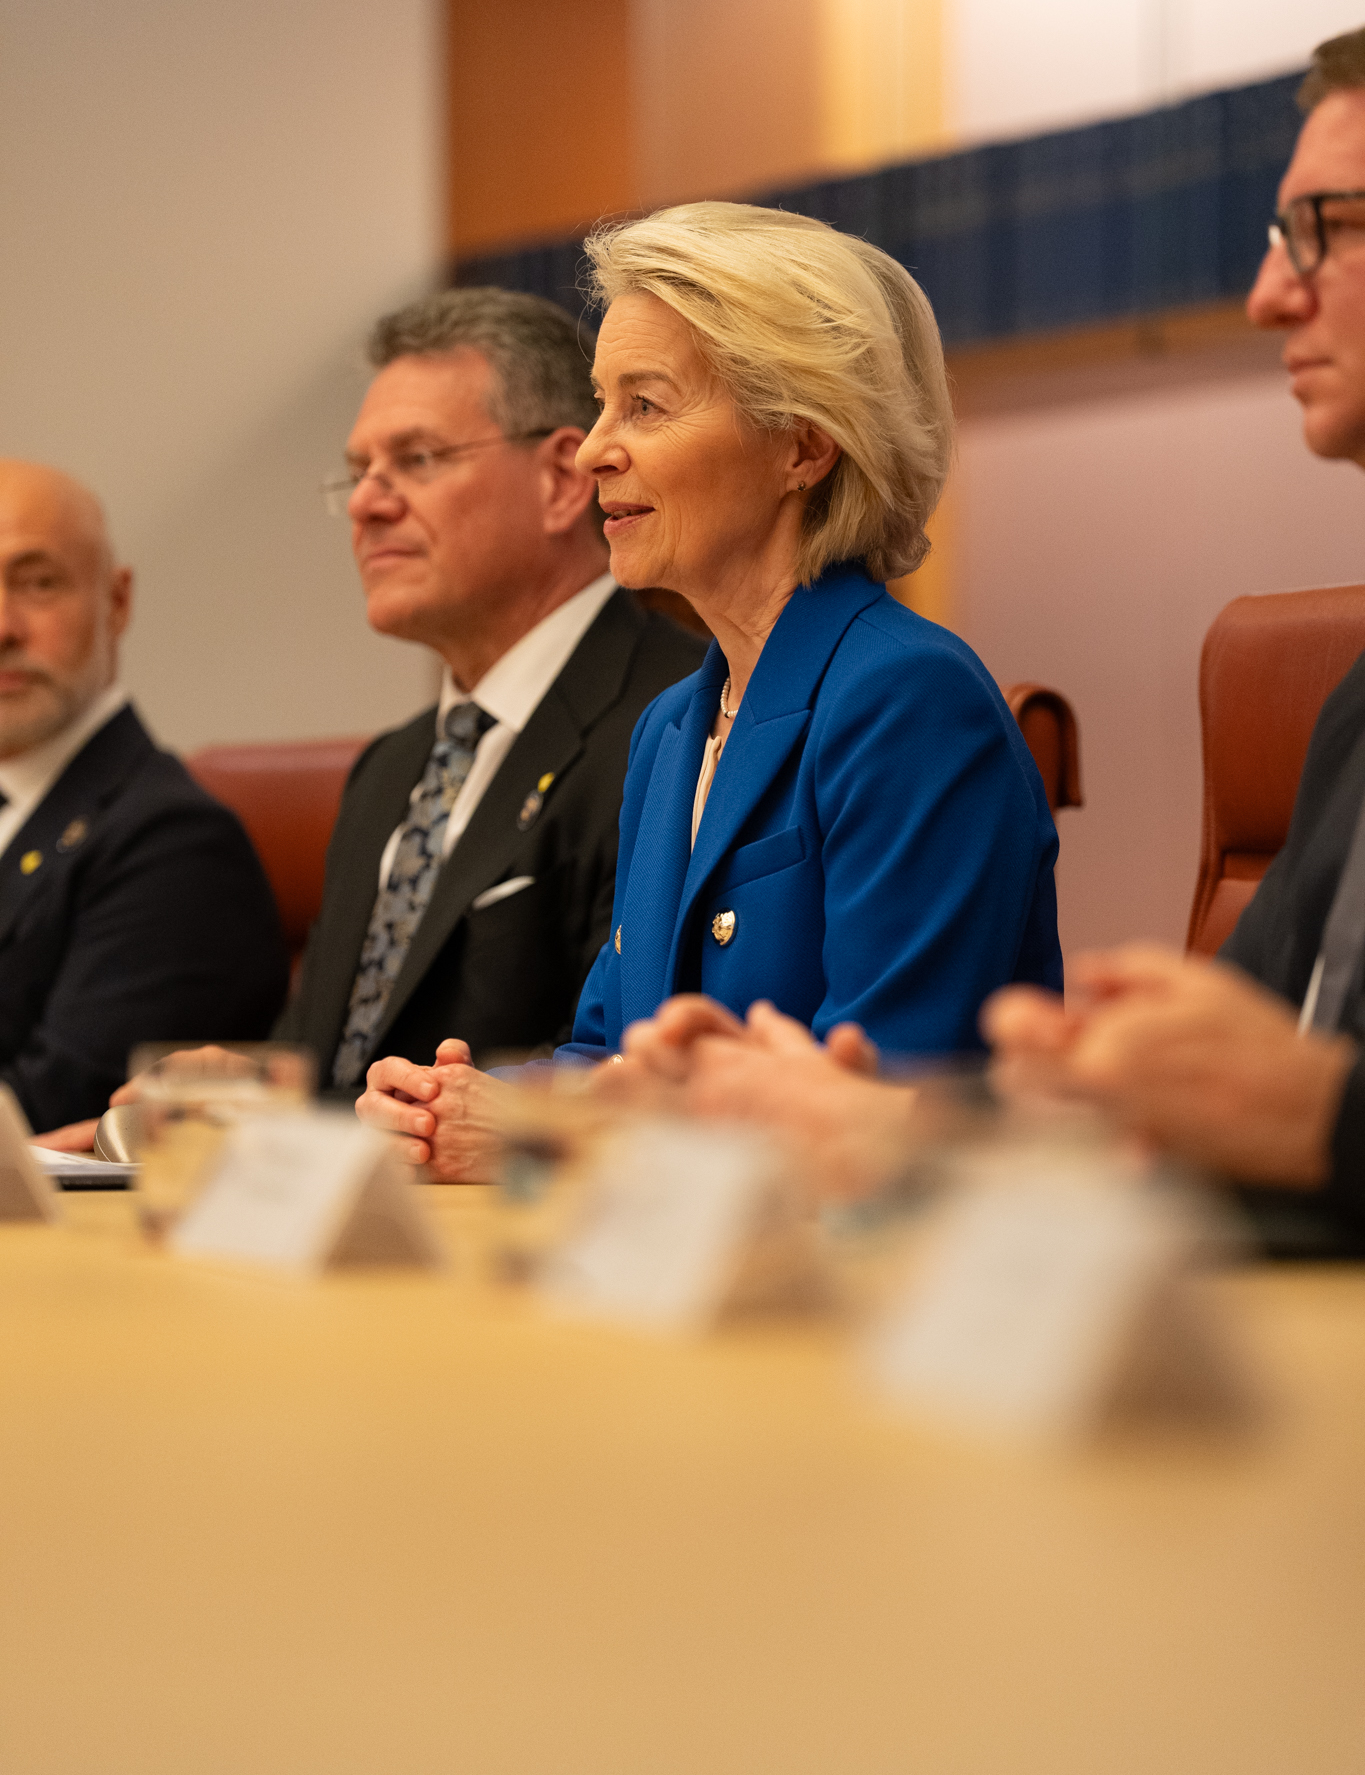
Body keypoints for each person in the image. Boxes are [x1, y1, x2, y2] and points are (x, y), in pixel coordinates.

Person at [638, 31, 1365, 1248]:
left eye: (1325, 229)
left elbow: (1295, 1105)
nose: (1266, 294)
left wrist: (1320, 1119)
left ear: (802, 442)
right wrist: (1015, 1109)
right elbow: (1210, 1101)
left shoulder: (901, 692)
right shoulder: (1356, 703)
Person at [358, 203, 1063, 1177]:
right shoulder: (672, 727)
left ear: (802, 445)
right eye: (602, 403)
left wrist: (550, 1132)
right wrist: (457, 1105)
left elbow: (875, 1106)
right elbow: (610, 1053)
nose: (596, 447)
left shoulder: (908, 698)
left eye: (644, 406)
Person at [277, 286, 704, 1090]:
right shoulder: (391, 769)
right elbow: (323, 1070)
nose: (367, 503)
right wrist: (226, 1086)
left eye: (417, 459)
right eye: (358, 472)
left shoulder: (680, 720)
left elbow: (621, 1070)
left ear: (559, 480)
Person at [0, 460, 287, 1138]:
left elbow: (59, 1107)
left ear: (117, 601)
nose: (3, 626)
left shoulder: (173, 840)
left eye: (37, 583)